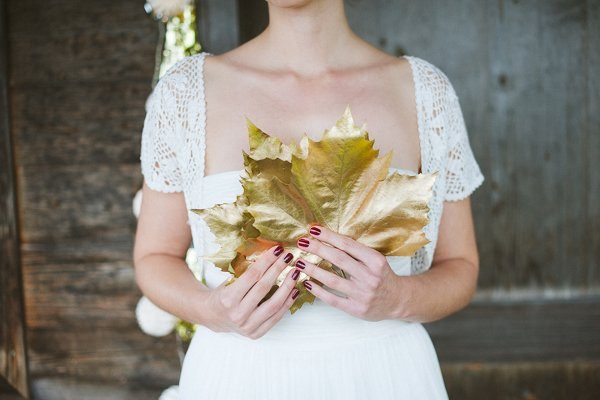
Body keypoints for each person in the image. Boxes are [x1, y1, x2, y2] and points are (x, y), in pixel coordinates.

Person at [133, 0, 485, 398]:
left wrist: (398, 297)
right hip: (236, 378)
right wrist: (212, 311)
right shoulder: (186, 92)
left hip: (385, 378)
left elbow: (461, 266)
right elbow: (153, 257)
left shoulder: (421, 90)